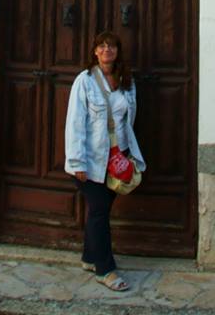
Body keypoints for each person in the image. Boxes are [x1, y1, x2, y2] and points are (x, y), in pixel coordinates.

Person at [64, 30, 146, 292]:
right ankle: (105, 270)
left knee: (100, 210)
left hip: (116, 158)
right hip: (90, 160)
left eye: (111, 46)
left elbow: (128, 120)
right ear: (95, 51)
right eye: (102, 46)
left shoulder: (126, 81)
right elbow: (75, 122)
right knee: (99, 211)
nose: (107, 50)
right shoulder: (85, 81)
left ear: (117, 51)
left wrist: (126, 151)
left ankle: (90, 258)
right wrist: (77, 162)